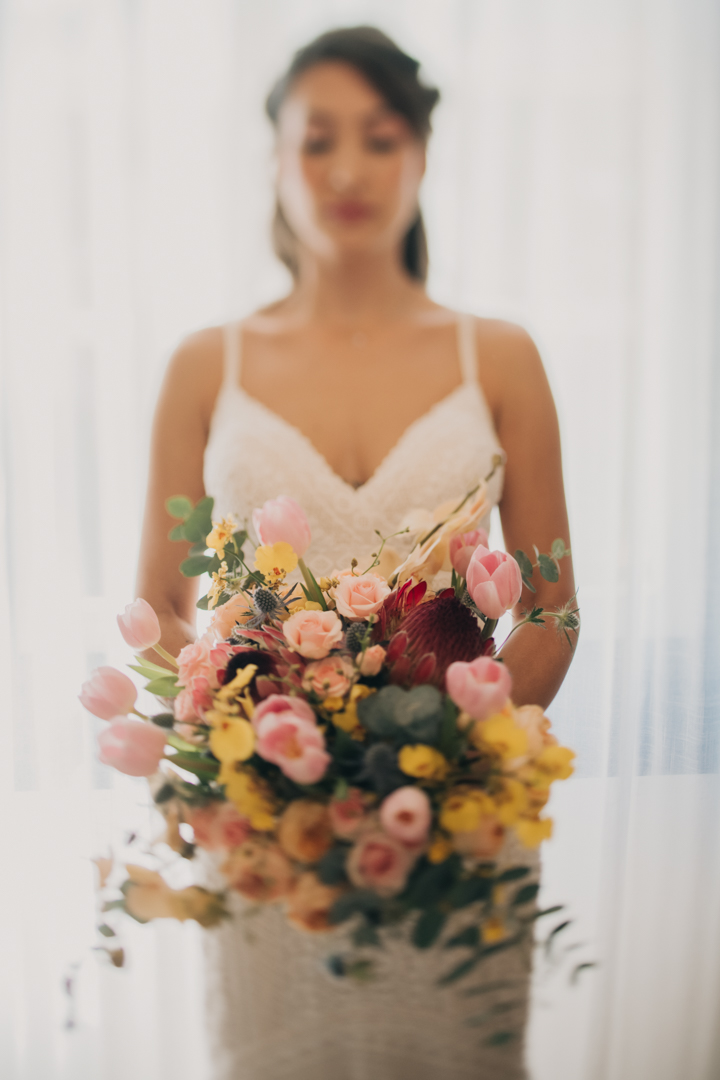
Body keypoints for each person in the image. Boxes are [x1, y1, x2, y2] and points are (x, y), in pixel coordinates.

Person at [136, 25, 577, 1080]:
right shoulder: (207, 364)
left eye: (379, 139)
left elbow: (553, 609)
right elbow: (160, 607)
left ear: (420, 155)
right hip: (268, 846)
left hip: (457, 828)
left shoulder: (501, 357)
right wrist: (232, 774)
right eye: (316, 139)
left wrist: (452, 758)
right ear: (275, 158)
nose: (346, 170)